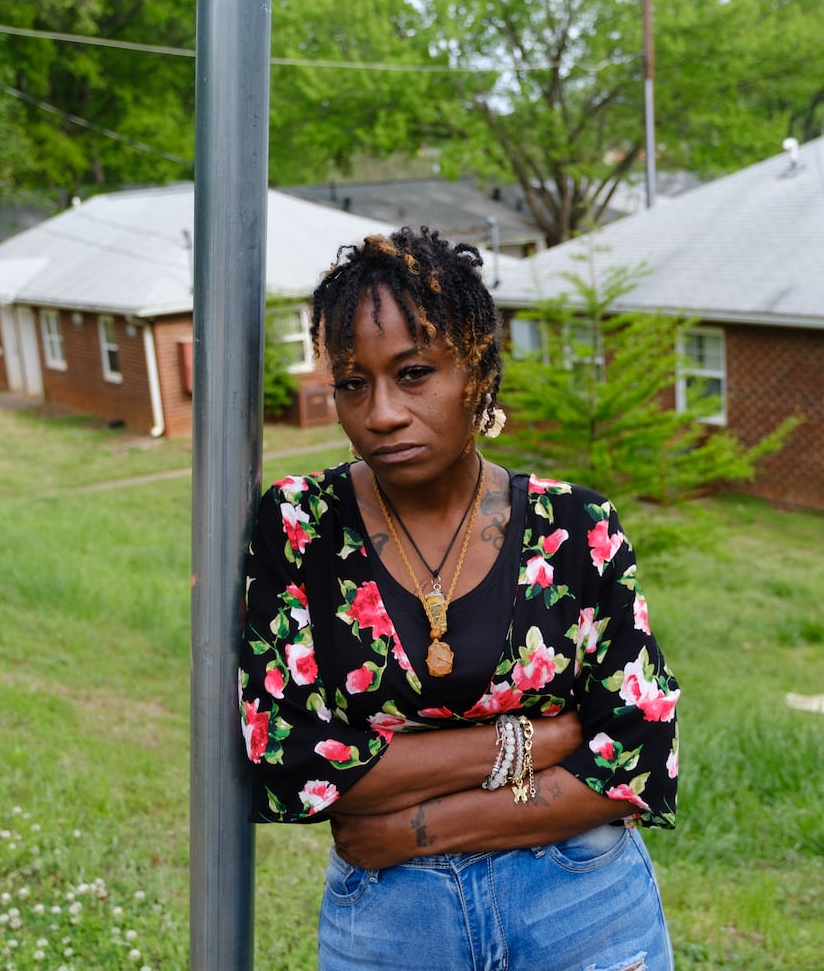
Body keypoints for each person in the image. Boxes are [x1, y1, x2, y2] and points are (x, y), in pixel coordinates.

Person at [238, 226, 681, 970]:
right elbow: (288, 760)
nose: (381, 412)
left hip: (579, 904)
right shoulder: (300, 526)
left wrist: (412, 829)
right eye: (353, 382)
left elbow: (636, 758)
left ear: (477, 370)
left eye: (413, 373)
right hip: (393, 923)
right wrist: (544, 740)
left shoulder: (576, 528)